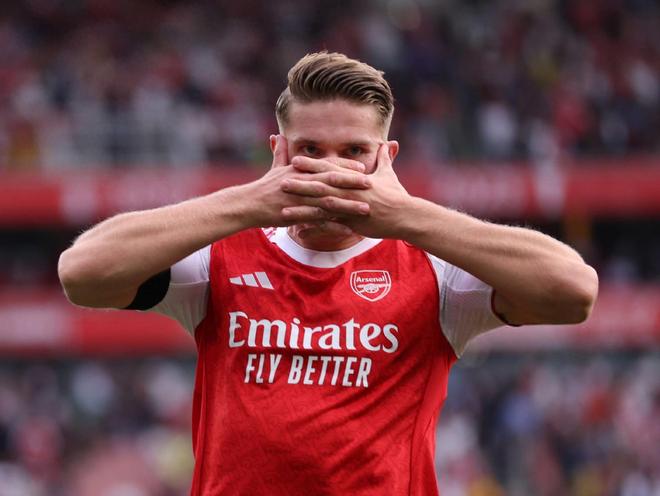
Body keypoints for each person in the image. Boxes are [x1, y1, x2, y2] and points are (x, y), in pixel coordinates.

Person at [58, 52, 598, 495]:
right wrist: (249, 202)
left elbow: (574, 291)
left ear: (386, 158)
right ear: (278, 152)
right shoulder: (218, 258)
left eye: (354, 152)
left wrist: (405, 214)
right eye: (309, 150)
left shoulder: (435, 272)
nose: (331, 170)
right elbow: (82, 272)